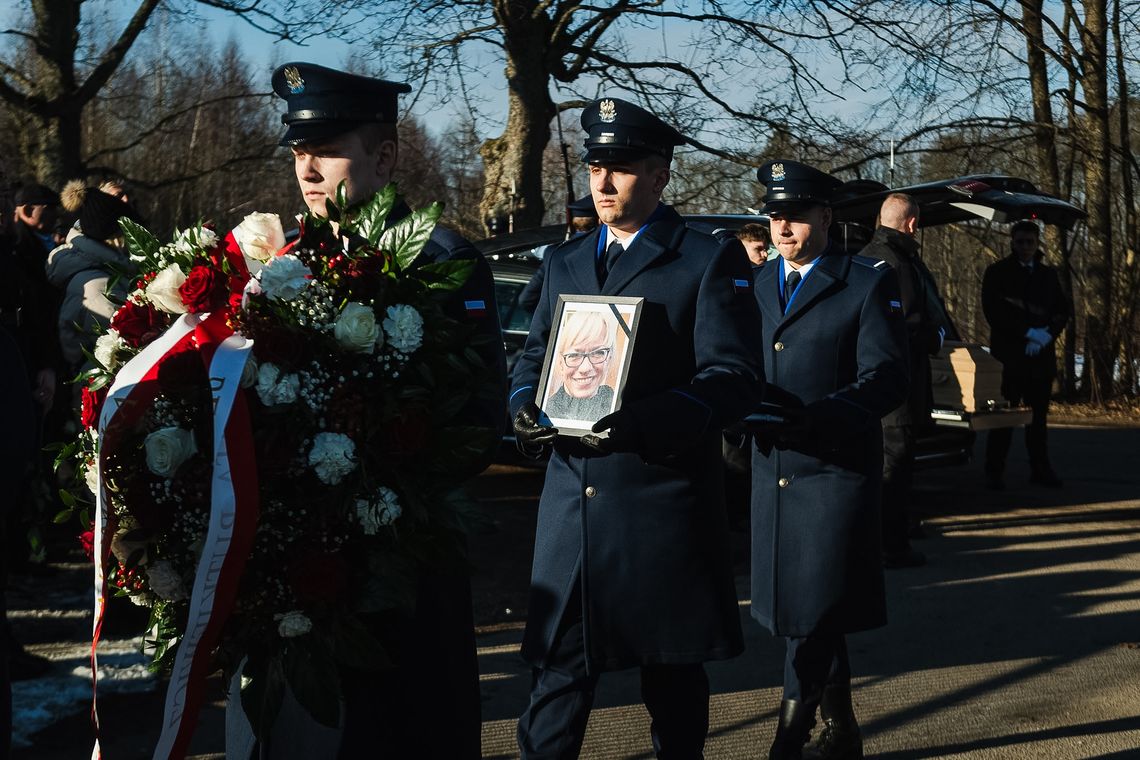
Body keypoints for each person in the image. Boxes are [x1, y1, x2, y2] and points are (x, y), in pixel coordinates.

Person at [226, 61, 507, 760]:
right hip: (297, 575)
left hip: (397, 579)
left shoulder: (440, 260)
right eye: (298, 152)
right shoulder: (282, 265)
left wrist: (373, 477)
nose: (308, 170)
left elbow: (476, 418)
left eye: (326, 150)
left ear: (384, 156)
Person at [509, 96, 764, 759]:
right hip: (572, 509)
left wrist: (643, 420)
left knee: (673, 685)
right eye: (596, 165)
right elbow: (533, 358)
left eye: (620, 168)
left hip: (660, 506)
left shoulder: (705, 260)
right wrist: (521, 408)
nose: (602, 181)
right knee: (555, 684)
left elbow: (733, 380)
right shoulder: (563, 261)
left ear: (659, 175)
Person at [748, 160, 908, 759]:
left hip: (833, 470)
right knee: (804, 604)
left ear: (825, 215)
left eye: (793, 215)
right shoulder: (759, 282)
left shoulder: (864, 280)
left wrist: (822, 417)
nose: (781, 227)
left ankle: (789, 734)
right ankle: (842, 728)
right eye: (773, 215)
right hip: (773, 470)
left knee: (808, 610)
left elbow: (887, 379)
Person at [858, 193, 945, 569]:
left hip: (869, 378)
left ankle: (883, 533)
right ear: (911, 224)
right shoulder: (899, 262)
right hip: (899, 382)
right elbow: (907, 324)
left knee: (877, 461)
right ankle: (892, 545)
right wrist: (936, 338)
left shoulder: (863, 256)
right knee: (896, 461)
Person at [981, 219, 1070, 489]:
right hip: (1010, 358)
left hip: (1040, 358)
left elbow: (1061, 310)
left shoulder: (1047, 275)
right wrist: (1025, 332)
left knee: (1038, 420)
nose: (1025, 247)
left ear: (1037, 243)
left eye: (1030, 242)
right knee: (1003, 419)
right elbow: (993, 312)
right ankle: (994, 472)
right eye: (1020, 242)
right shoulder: (997, 272)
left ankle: (1040, 469)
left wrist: (1046, 335)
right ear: (1012, 242)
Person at [46, 180, 143, 377]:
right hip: (107, 390)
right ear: (116, 235)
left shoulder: (104, 270)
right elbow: (123, 347)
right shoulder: (100, 287)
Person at [518, 194, 599, 314]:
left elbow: (526, 299)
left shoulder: (554, 252)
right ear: (599, 220)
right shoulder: (603, 250)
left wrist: (555, 319)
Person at [543, 310, 616, 423]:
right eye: (574, 355)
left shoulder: (617, 403)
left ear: (609, 359)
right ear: (561, 362)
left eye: (598, 353)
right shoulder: (546, 412)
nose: (585, 368)